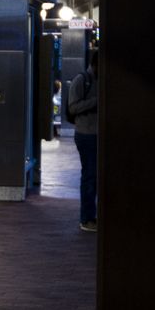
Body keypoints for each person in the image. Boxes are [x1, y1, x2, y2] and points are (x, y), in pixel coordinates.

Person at [64, 51, 100, 231]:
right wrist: (96, 101)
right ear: (96, 64)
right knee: (90, 175)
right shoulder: (81, 80)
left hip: (97, 134)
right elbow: (73, 107)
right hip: (85, 134)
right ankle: (86, 219)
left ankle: (91, 216)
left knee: (95, 176)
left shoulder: (102, 80)